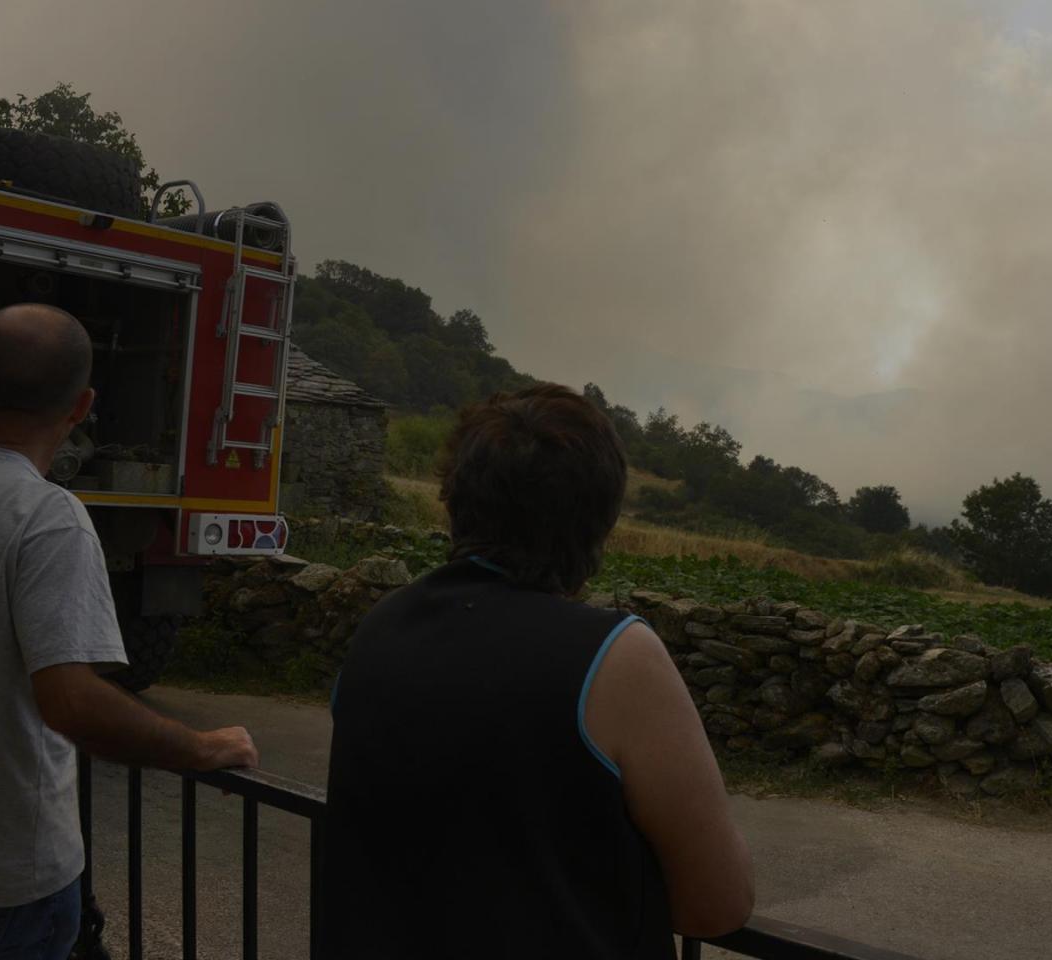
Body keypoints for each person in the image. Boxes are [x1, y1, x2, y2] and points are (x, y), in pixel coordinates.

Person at [0, 303, 259, 960]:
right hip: (0, 883)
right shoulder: (49, 517)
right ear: (81, 407)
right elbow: (72, 703)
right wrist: (200, 747)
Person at [323, 383, 754, 958]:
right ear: (599, 521)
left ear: (456, 499)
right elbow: (717, 904)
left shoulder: (379, 630)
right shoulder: (616, 657)